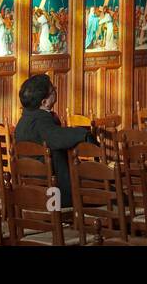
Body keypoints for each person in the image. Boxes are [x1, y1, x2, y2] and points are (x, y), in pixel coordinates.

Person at [13, 73, 94, 209]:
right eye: (53, 90)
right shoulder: (41, 119)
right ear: (44, 102)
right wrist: (84, 134)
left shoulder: (23, 120)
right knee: (106, 186)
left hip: (34, 189)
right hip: (53, 192)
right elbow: (57, 137)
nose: (56, 91)